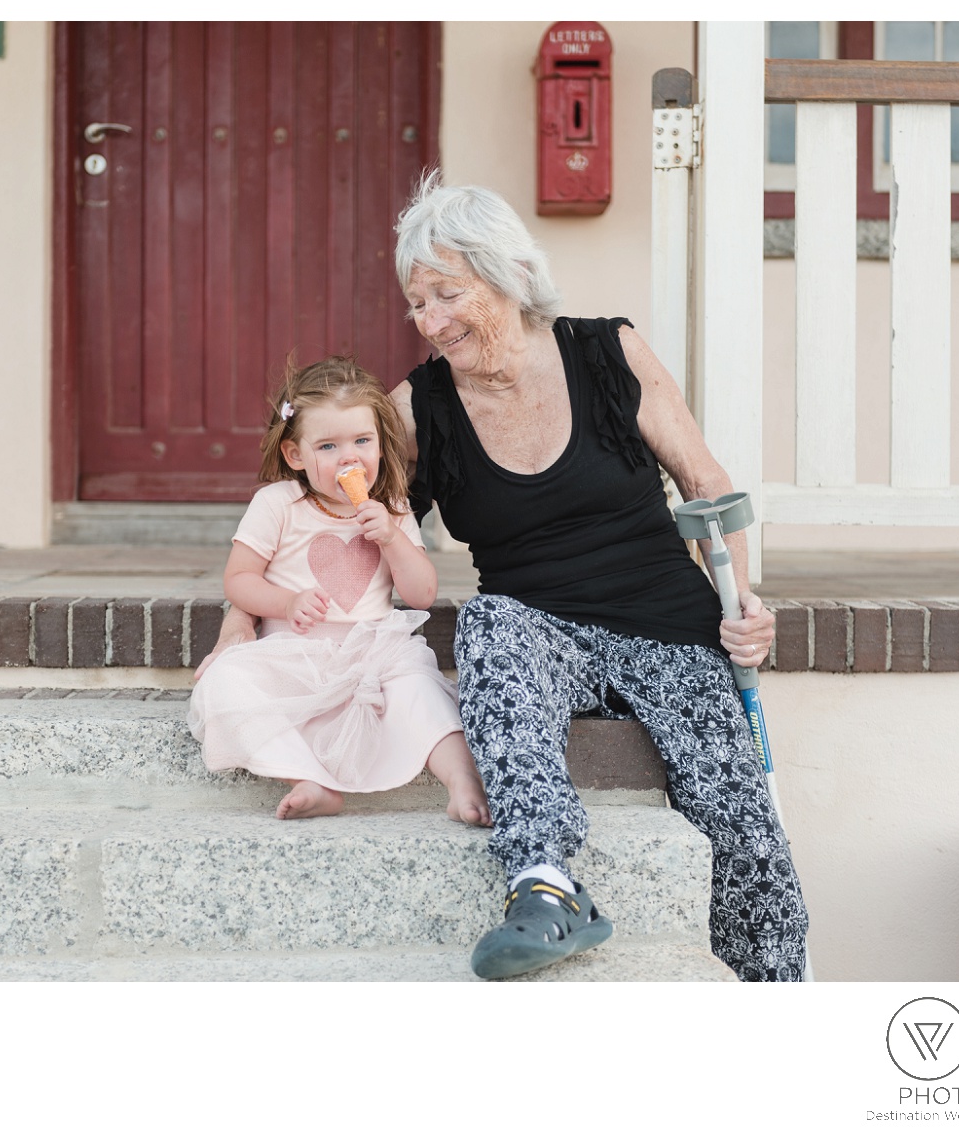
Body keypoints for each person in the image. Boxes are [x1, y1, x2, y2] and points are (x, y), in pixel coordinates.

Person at [201, 175, 807, 982]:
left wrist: (746, 603)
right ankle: (545, 881)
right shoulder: (423, 407)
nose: (430, 321)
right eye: (418, 302)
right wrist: (241, 622)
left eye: (448, 293)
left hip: (669, 627)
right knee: (489, 618)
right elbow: (335, 522)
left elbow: (705, 480)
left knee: (747, 844)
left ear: (510, 274)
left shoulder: (608, 352)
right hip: (536, 632)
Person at [188, 355, 491, 827]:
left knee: (421, 692)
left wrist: (392, 537)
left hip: (374, 653)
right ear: (295, 456)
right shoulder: (277, 504)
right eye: (328, 446)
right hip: (293, 655)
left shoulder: (390, 507)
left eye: (361, 441)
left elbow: (422, 594)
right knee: (223, 684)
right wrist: (285, 603)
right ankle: (307, 778)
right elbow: (239, 579)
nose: (349, 457)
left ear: (379, 444)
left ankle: (460, 780)